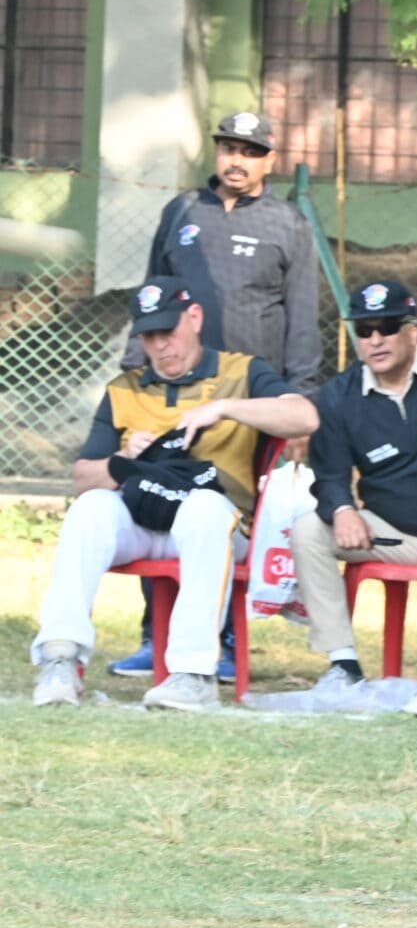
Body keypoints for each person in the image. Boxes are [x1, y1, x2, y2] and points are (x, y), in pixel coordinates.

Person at [30, 280, 319, 711]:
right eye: (150, 337)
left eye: (170, 331)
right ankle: (60, 659)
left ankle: (192, 673)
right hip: (143, 520)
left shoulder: (241, 372)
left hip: (218, 526)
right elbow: (81, 478)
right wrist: (121, 459)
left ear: (195, 319)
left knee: (202, 509)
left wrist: (224, 408)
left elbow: (304, 416)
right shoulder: (123, 388)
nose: (162, 346)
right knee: (90, 508)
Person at [112, 111, 323, 680]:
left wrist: (300, 406)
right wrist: (138, 371)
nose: (238, 160)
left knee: (229, 516)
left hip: (248, 399)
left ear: (269, 161)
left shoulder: (288, 224)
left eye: (251, 151)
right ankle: (152, 638)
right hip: (174, 389)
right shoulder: (181, 212)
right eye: (230, 147)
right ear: (217, 152)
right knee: (153, 500)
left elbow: (303, 317)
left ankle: (226, 641)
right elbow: (151, 297)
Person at [293, 280, 417, 689]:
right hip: (384, 530)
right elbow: (330, 474)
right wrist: (343, 510)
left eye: (387, 326)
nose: (375, 340)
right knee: (307, 530)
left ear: (413, 330)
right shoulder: (339, 395)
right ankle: (342, 664)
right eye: (363, 330)